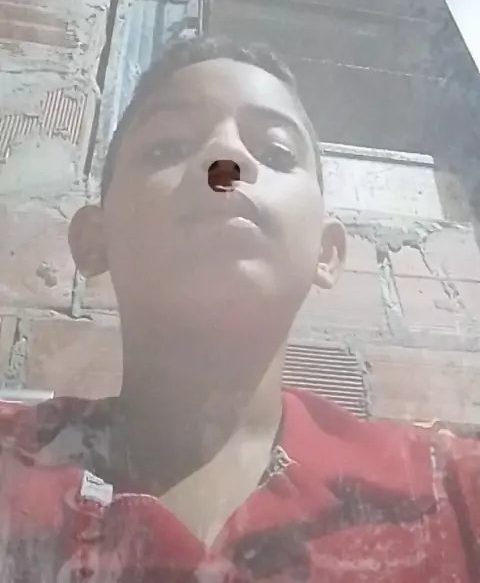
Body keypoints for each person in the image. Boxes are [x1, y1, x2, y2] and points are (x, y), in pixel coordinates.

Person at [0, 35, 479, 583]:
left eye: (276, 154)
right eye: (167, 148)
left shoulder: (456, 494)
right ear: (93, 240)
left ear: (326, 253)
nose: (223, 164)